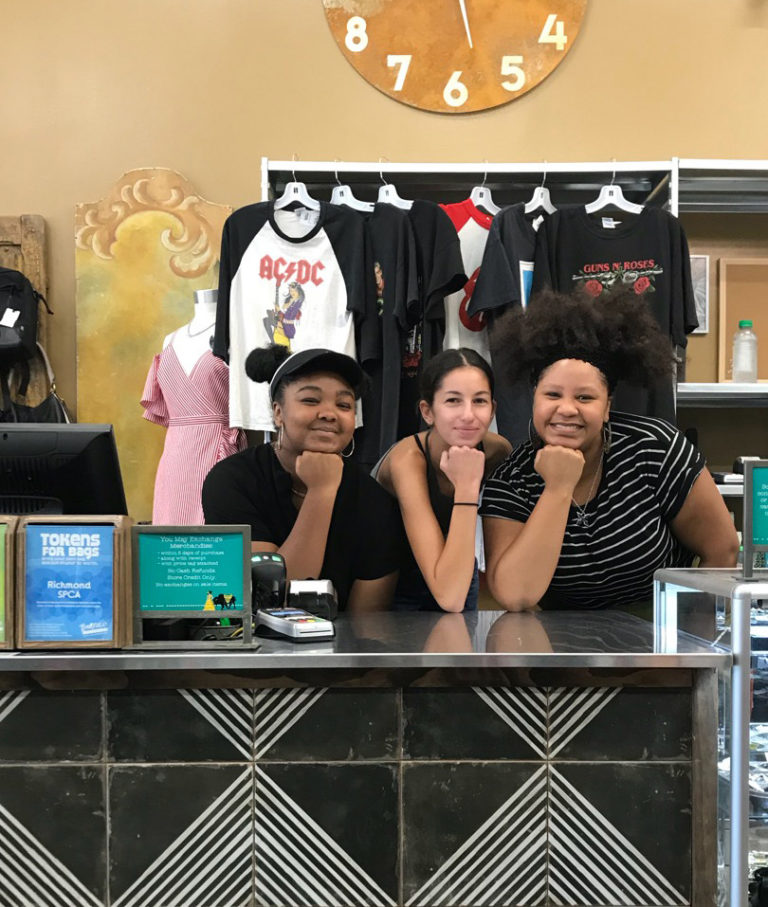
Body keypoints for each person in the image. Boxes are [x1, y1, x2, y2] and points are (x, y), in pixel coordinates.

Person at [481, 289, 739, 612]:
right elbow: (516, 595)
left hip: (659, 640)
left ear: (607, 407)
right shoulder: (511, 480)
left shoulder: (655, 449)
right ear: (534, 398)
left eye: (585, 398)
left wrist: (685, 650)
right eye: (552, 394)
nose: (567, 409)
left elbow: (723, 550)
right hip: (562, 649)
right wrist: (558, 487)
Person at [202, 345, 402, 611]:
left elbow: (367, 623)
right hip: (253, 644)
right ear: (278, 412)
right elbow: (267, 600)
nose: (329, 413)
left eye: (344, 405)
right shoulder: (231, 481)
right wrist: (321, 491)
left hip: (343, 648)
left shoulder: (373, 501)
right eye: (310, 400)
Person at [374, 348, 511, 611]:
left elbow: (454, 594)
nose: (468, 415)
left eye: (479, 401)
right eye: (453, 401)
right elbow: (449, 597)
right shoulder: (408, 460)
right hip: (392, 579)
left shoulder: (497, 451)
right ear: (427, 411)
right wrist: (468, 487)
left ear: (492, 409)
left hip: (455, 568)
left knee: (460, 645)